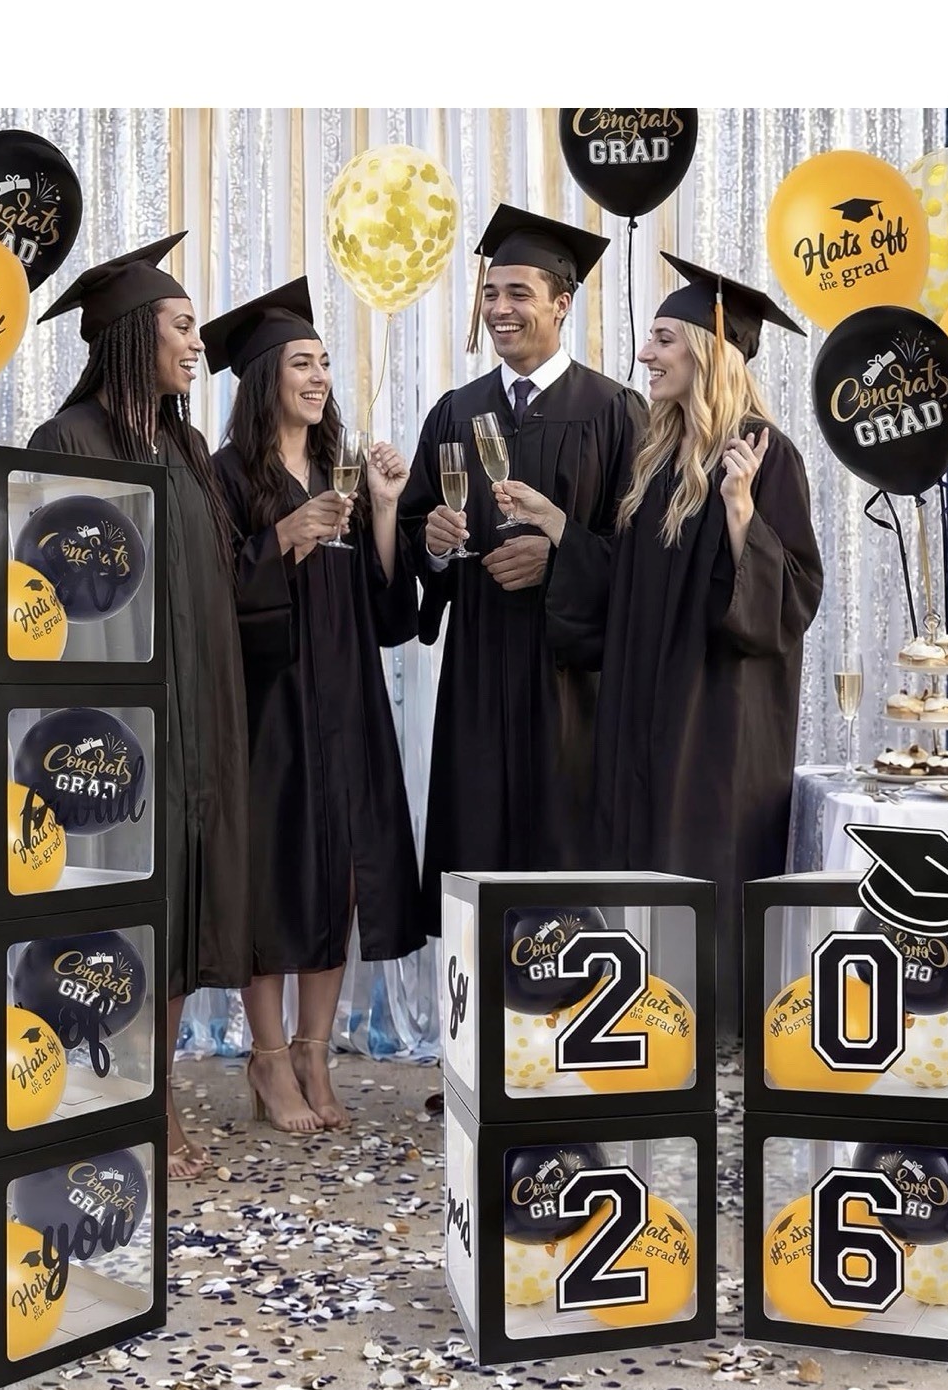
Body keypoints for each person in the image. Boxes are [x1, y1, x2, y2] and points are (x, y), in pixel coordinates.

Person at [513, 254, 824, 1034]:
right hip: (643, 710)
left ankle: (710, 1031)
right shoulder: (659, 458)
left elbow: (791, 600)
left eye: (663, 339)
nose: (644, 355)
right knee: (640, 857)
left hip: (716, 722)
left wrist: (741, 513)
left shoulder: (763, 453)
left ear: (709, 353)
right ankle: (646, 1018)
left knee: (700, 861)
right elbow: (629, 585)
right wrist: (560, 527)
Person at [29, 232, 283, 1179]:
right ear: (134, 335)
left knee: (187, 902)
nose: (196, 343)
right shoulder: (69, 441)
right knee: (127, 909)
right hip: (116, 725)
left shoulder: (185, 447)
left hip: (201, 708)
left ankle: (156, 1085)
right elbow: (50, 601)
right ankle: (118, 1092)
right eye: (180, 326)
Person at [202, 278, 424, 1132]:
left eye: (325, 363)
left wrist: (385, 512)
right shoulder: (226, 476)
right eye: (302, 363)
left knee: (344, 874)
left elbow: (386, 609)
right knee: (273, 876)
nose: (320, 377)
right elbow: (211, 596)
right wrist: (283, 540)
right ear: (266, 378)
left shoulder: (344, 469)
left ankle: (313, 1051)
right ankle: (266, 1057)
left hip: (349, 696)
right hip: (271, 704)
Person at [399, 204, 648, 933]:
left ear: (561, 304)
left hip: (571, 684)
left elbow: (645, 553)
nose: (500, 308)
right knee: (479, 857)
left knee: (565, 862)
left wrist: (561, 557)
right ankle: (479, 1001)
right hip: (478, 671)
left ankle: (570, 990)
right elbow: (415, 529)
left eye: (519, 293)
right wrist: (434, 545)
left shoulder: (615, 411)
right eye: (490, 293)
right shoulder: (455, 411)